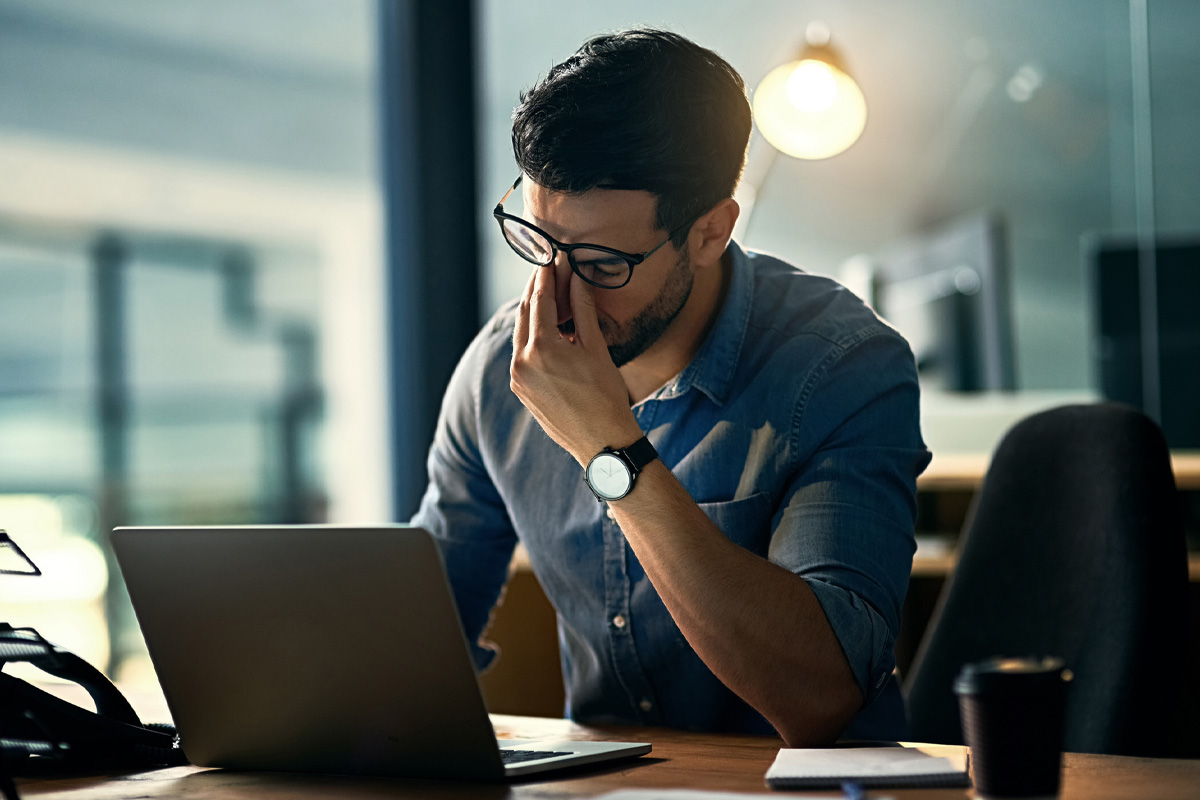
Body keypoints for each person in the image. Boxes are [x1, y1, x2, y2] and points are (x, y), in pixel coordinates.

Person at [411, 28, 930, 746]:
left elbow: (821, 695)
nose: (559, 295)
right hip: (598, 790)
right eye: (540, 243)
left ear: (711, 232)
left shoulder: (842, 367)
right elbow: (417, 635)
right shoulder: (502, 368)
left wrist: (607, 447)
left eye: (600, 263)